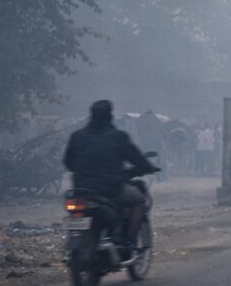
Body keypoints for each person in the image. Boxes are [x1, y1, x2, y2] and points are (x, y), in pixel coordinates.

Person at [63, 99, 161, 246]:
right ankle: (128, 242)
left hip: (81, 190)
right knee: (139, 201)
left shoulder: (77, 136)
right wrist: (148, 167)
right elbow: (137, 158)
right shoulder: (118, 137)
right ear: (109, 116)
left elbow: (68, 163)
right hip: (110, 189)